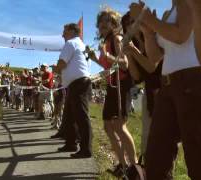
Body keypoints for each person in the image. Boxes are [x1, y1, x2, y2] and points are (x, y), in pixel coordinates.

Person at [130, 0, 201, 179]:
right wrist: (147, 32)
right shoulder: (166, 15)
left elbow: (181, 35)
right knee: (157, 153)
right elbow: (155, 57)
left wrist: (147, 18)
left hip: (191, 81)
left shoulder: (187, 4)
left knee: (196, 154)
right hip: (167, 85)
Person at [87, 9, 137, 174]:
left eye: (107, 20)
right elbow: (110, 67)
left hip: (122, 86)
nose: (102, 23)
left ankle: (135, 168)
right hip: (112, 87)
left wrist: (107, 55)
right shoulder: (107, 41)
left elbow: (124, 64)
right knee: (109, 126)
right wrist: (95, 58)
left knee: (119, 126)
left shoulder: (117, 38)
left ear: (114, 23)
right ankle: (123, 166)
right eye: (100, 20)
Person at [121, 11, 162, 158]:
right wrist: (129, 55)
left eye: (133, 21)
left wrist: (133, 50)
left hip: (164, 91)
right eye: (127, 25)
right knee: (147, 139)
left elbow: (152, 67)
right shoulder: (136, 44)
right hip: (150, 94)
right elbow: (137, 76)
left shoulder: (154, 36)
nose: (131, 26)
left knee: (163, 141)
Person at [55, 23, 92, 158]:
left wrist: (56, 69)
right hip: (78, 83)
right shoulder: (81, 45)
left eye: (64, 31)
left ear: (71, 31)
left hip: (78, 84)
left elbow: (62, 63)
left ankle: (86, 148)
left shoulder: (70, 43)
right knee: (70, 116)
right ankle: (71, 143)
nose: (62, 34)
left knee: (81, 116)